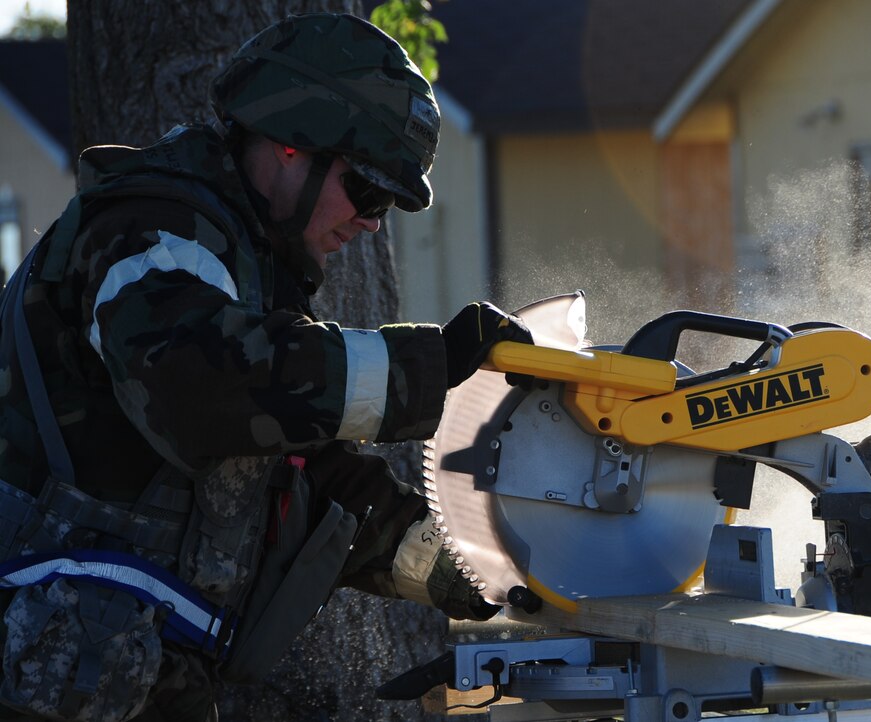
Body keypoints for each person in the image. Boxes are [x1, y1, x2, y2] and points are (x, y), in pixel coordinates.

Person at [0, 13, 530, 722]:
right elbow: (198, 387)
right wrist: (432, 372)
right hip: (39, 674)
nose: (372, 222)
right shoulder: (151, 230)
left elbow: (313, 483)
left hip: (114, 676)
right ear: (290, 144)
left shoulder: (245, 273)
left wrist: (484, 568)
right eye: (367, 191)